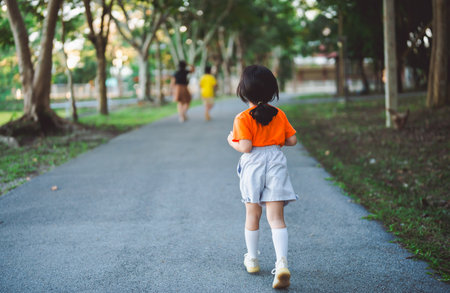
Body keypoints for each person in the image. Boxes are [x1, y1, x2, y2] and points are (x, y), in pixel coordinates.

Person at [227, 65, 298, 289]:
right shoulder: (279, 115)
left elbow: (246, 147)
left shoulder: (242, 118)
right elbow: (292, 141)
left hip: (253, 166)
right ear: (272, 91)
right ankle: (282, 263)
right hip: (276, 162)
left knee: (253, 212)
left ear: (243, 91)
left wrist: (231, 141)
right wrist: (275, 139)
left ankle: (253, 259)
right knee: (276, 218)